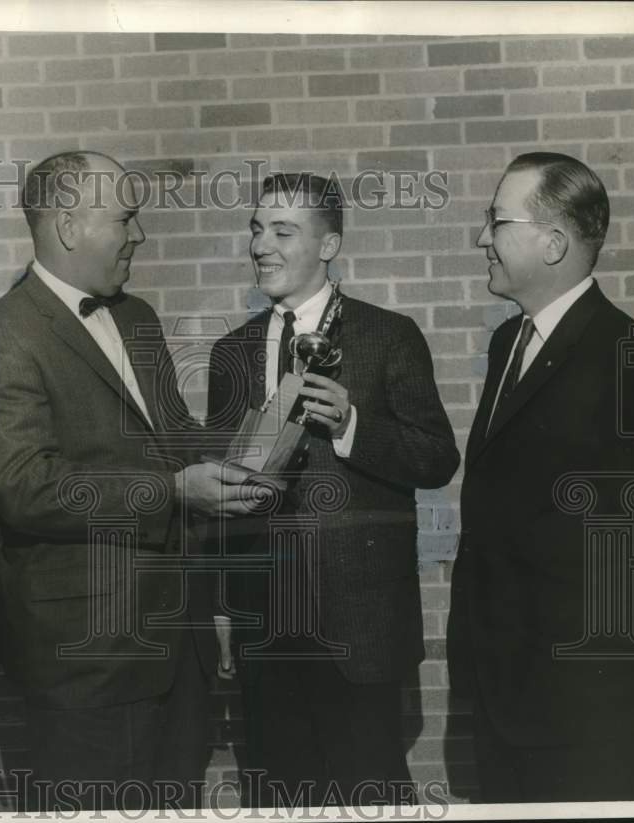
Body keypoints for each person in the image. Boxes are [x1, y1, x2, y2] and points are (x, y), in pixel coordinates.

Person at [0, 150, 263, 812]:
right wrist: (174, 492)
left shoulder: (138, 318)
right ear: (69, 225)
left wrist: (265, 431)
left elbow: (177, 438)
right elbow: (26, 485)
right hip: (86, 668)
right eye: (127, 218)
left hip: (176, 652)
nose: (140, 235)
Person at [206, 172, 460, 808]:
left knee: (368, 796)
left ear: (329, 245)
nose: (262, 244)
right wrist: (223, 612)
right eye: (256, 229)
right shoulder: (230, 354)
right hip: (266, 630)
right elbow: (224, 499)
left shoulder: (387, 335)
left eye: (283, 231)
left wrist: (352, 426)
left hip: (361, 630)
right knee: (278, 800)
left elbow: (435, 458)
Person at [446, 152, 634, 802]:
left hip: (588, 726)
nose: (480, 238)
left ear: (553, 243)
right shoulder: (508, 345)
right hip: (508, 706)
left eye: (496, 221)